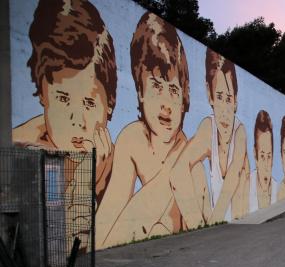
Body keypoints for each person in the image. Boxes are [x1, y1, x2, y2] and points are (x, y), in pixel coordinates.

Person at [96, 12, 189, 248]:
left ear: (184, 98)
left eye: (174, 90)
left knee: (161, 227)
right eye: (156, 86)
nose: (167, 104)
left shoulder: (187, 149)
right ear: (139, 91)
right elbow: (107, 225)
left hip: (179, 257)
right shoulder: (133, 138)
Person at [12, 0, 116, 204]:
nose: (77, 120)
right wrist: (88, 179)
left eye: (88, 103)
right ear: (43, 94)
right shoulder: (22, 150)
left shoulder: (112, 156)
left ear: (109, 104)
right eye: (63, 98)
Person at [170, 48, 249, 227]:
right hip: (211, 217)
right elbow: (177, 173)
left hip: (240, 219)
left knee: (243, 172)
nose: (224, 111)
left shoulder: (240, 132)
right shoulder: (208, 128)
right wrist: (198, 224)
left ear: (235, 101)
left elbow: (234, 175)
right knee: (194, 168)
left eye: (229, 99)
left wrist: (215, 222)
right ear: (209, 95)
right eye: (219, 97)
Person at [249, 111, 278, 211]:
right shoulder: (246, 186)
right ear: (254, 155)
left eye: (269, 157)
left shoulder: (277, 188)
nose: (266, 166)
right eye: (262, 156)